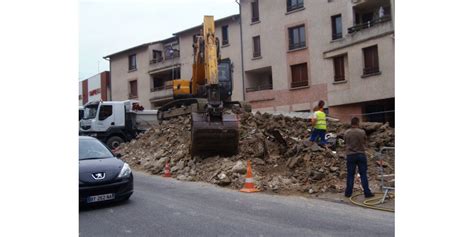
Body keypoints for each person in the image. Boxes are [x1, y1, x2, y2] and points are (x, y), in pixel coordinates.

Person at [344, 117, 374, 198]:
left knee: (350, 175)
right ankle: (367, 193)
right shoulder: (362, 132)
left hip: (350, 155)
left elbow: (345, 142)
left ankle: (348, 193)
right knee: (363, 174)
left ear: (351, 123)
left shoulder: (346, 132)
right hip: (361, 154)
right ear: (357, 123)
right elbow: (365, 142)